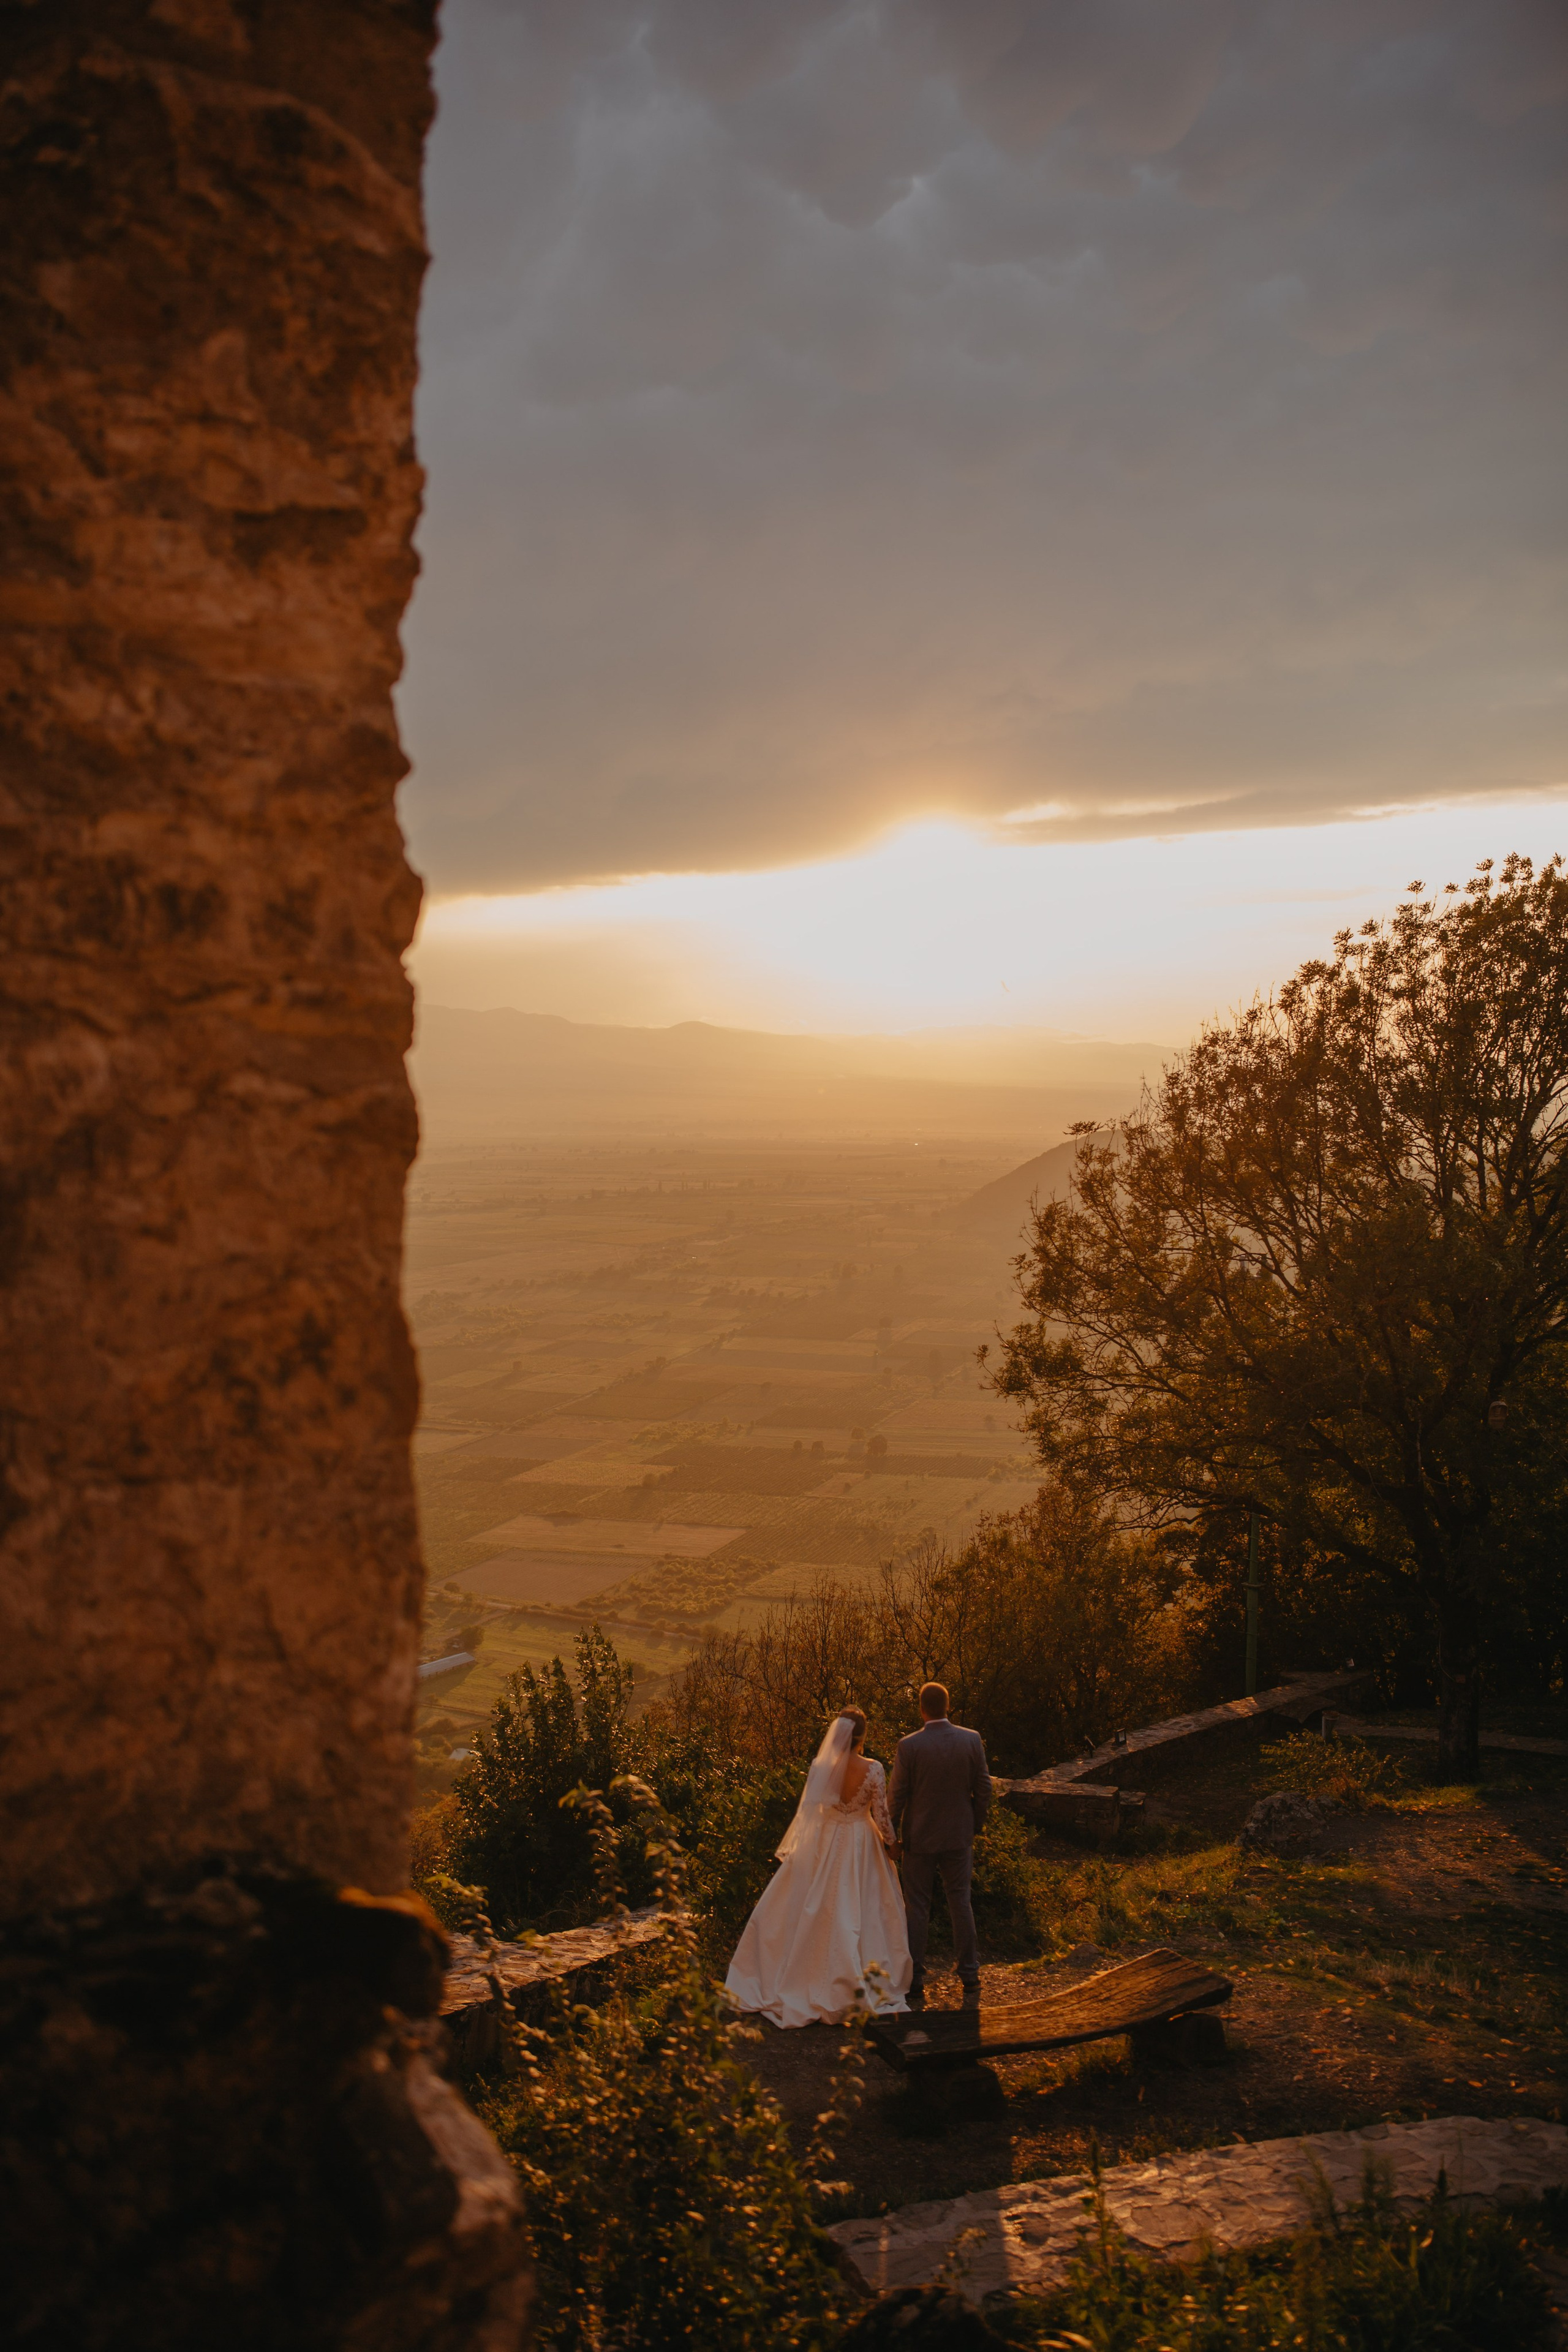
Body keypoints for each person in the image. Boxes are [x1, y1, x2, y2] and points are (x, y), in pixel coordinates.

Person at [725, 1707, 912, 2027]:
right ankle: (858, 1977)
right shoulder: (874, 1769)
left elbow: (812, 1810)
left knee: (813, 1907)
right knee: (863, 1909)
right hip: (860, 1841)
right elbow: (881, 1814)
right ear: (862, 1736)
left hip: (824, 1840)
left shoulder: (820, 1767)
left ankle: (799, 1973)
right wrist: (892, 1845)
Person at [888, 1681, 990, 2010]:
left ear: (921, 1708)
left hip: (919, 1838)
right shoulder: (971, 1740)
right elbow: (984, 1787)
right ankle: (970, 1975)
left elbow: (897, 1796)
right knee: (960, 1900)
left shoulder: (909, 1746)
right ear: (948, 1706)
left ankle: (916, 1980)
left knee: (917, 1906)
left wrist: (890, 1837)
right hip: (958, 1835)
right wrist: (974, 1825)